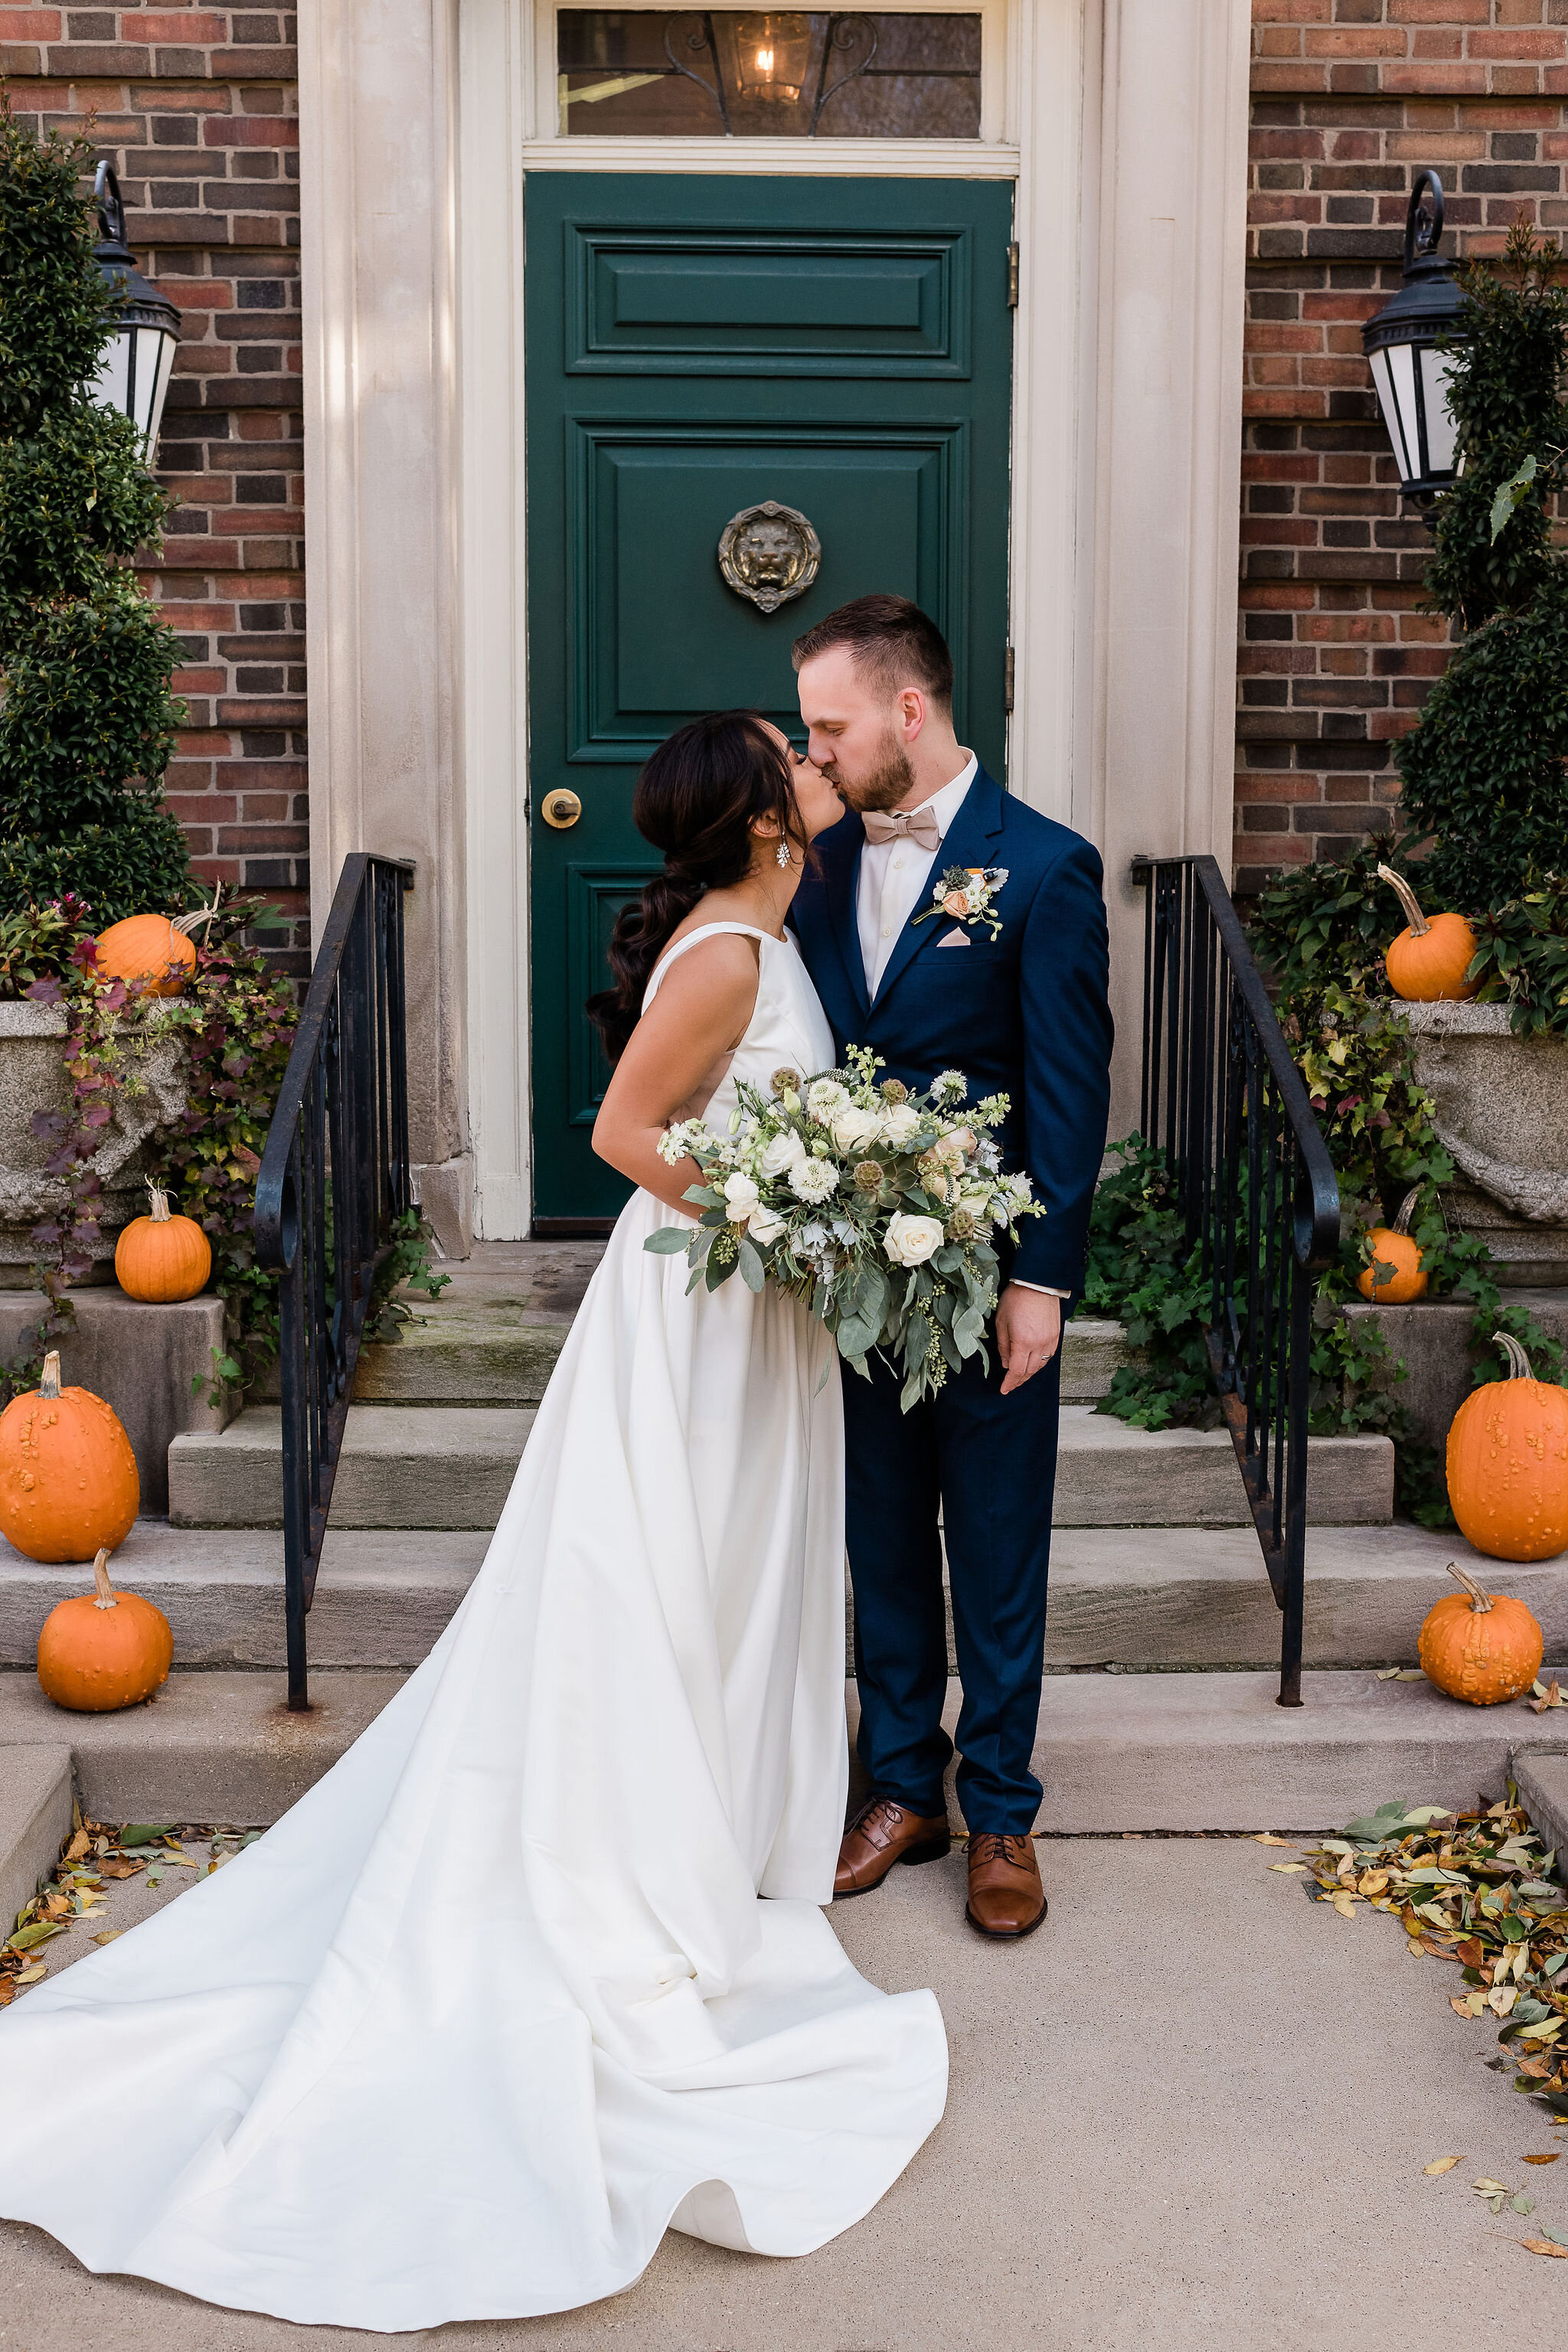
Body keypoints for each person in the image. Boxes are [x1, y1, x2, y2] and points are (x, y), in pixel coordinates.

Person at [0, 714, 947, 2333]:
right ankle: (635, 1873)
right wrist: (795, 1211)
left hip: (749, 1318)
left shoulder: (761, 932)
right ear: (760, 816)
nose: (814, 760)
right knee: (662, 1584)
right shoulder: (725, 955)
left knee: (722, 1587)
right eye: (791, 751)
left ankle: (707, 1834)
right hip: (701, 1321)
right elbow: (620, 1142)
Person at [790, 595, 1113, 1942]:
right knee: (878, 1532)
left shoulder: (1042, 869)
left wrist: (1043, 1277)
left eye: (829, 727)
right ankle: (902, 1787)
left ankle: (1004, 1812)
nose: (813, 755)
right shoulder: (809, 861)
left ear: (906, 712)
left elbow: (1068, 1089)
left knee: (992, 1545)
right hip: (851, 1277)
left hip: (986, 1280)